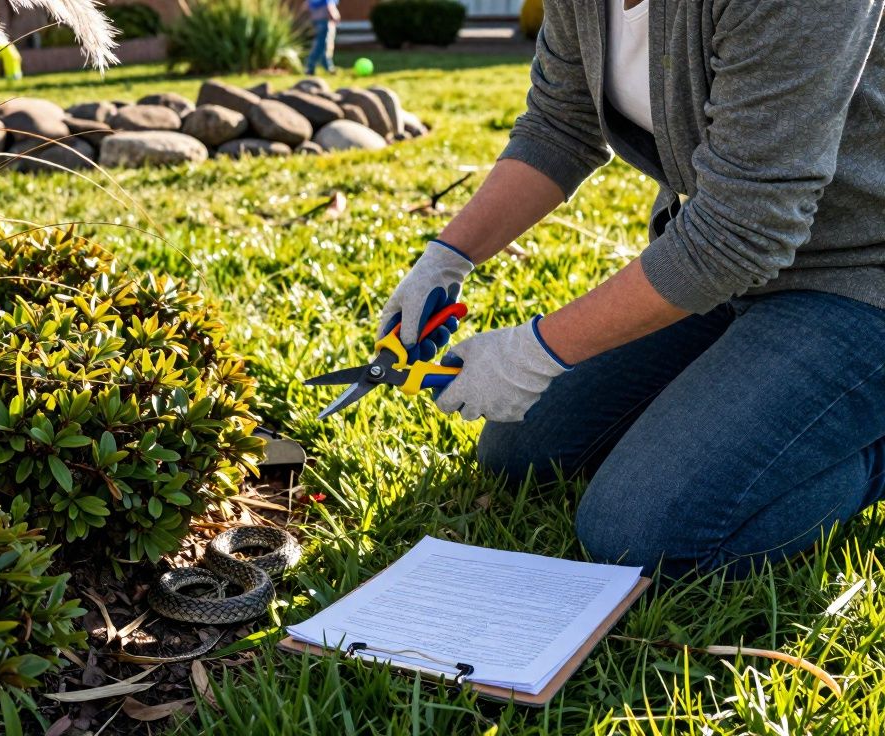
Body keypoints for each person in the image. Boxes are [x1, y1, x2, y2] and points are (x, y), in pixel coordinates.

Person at [376, 0, 885, 579]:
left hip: (859, 273)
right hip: (728, 268)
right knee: (521, 452)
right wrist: (446, 258)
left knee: (644, 535)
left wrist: (535, 351)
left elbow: (746, 227)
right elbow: (560, 125)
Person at [306, 0, 339, 76]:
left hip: (317, 21)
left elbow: (306, 6)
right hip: (326, 22)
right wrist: (335, 17)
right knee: (325, 45)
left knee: (319, 45)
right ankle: (313, 67)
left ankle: (326, 66)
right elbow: (329, 5)